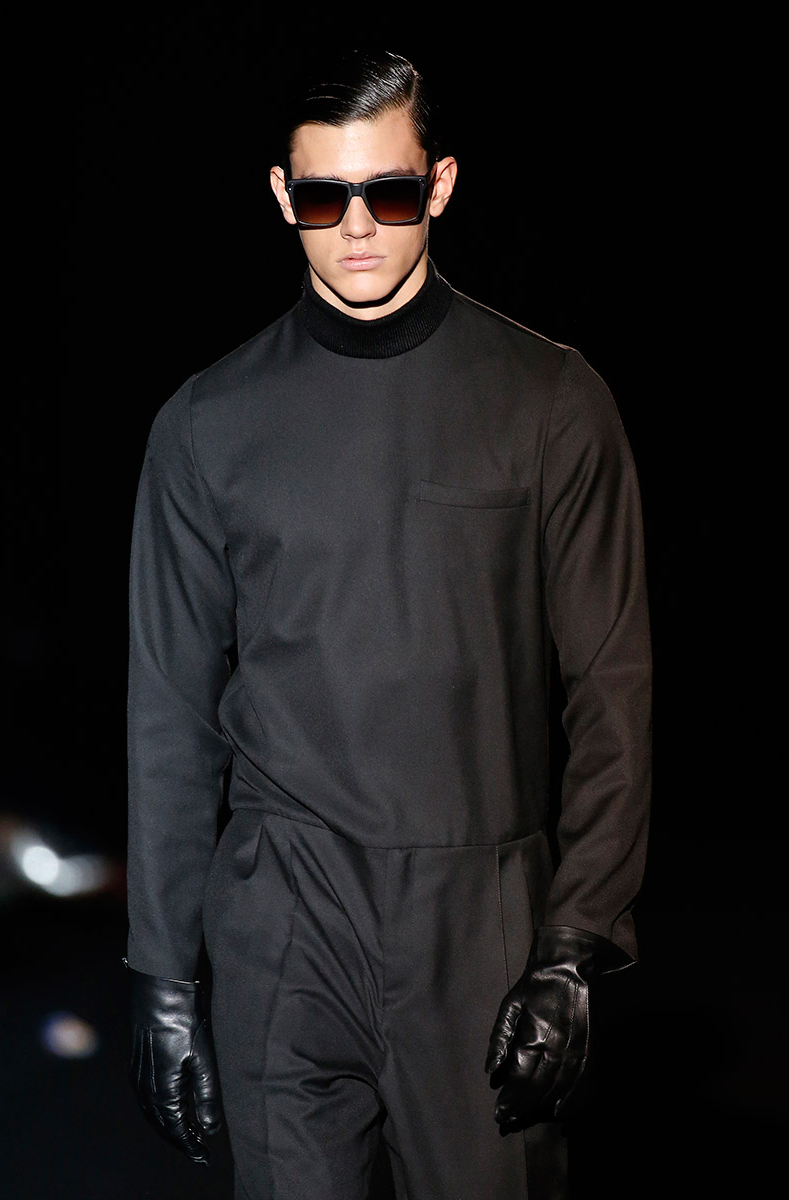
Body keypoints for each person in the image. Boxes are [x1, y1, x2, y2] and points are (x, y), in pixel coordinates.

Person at [124, 48, 652, 1200]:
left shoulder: (550, 402)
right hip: (282, 913)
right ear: (281, 196)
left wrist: (571, 943)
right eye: (324, 196)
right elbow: (169, 712)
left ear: (441, 185)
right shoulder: (206, 426)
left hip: (483, 924)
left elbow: (608, 688)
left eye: (389, 192)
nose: (356, 226)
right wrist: (164, 973)